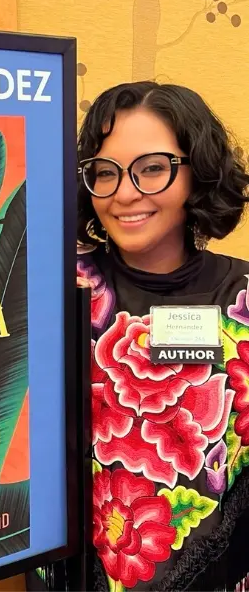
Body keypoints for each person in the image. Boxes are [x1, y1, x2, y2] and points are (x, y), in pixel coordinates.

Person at [30, 81, 249, 592]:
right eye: (105, 173)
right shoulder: (51, 288)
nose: (125, 193)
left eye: (151, 168)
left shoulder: (243, 296)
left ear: (198, 170)